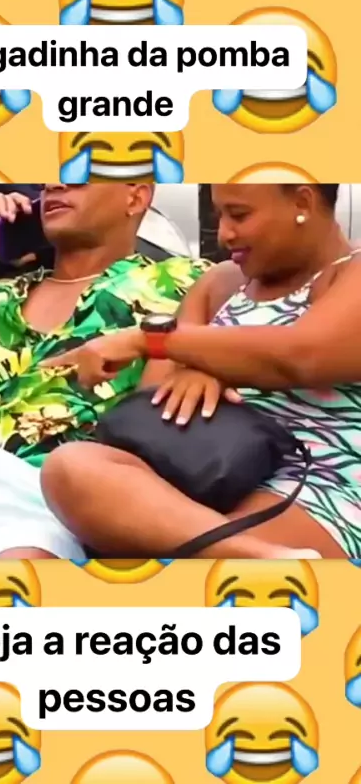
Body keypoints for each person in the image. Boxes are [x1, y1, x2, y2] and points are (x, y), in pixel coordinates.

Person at [0, 184, 209, 559]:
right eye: (47, 179)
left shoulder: (183, 281)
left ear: (135, 197)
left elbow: (248, 332)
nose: (55, 184)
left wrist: (202, 367)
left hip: (46, 494)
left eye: (79, 175)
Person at [41, 183, 361, 560]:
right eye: (219, 216)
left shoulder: (350, 272)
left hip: (316, 481)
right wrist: (205, 366)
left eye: (239, 215)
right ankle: (254, 557)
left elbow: (303, 355)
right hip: (198, 477)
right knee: (69, 467)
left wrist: (153, 342)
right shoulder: (221, 284)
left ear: (302, 202)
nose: (224, 234)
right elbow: (155, 403)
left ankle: (252, 558)